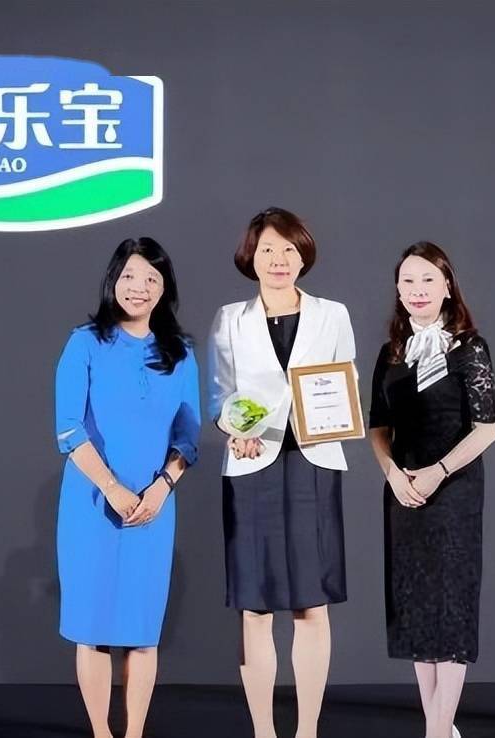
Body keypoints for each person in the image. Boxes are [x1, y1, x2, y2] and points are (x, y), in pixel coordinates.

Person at [207, 207, 356, 738]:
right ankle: (264, 731)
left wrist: (336, 413)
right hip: (253, 466)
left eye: (289, 249)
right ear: (251, 256)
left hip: (314, 464)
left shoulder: (332, 314)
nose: (279, 259)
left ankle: (308, 729)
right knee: (255, 606)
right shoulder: (230, 318)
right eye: (268, 249)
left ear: (303, 255)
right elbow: (221, 393)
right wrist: (234, 429)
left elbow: (345, 382)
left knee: (312, 604)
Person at [54, 237, 201, 738]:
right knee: (92, 629)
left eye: (151, 279)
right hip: (91, 504)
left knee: (141, 632)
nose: (139, 287)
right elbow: (69, 429)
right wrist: (112, 488)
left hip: (153, 508)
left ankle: (135, 732)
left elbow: (188, 437)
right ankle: (101, 732)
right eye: (130, 276)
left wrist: (162, 487)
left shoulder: (180, 354)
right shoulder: (84, 343)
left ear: (165, 289)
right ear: (113, 280)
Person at [369, 241, 495, 738]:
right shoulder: (391, 353)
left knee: (451, 613)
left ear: (447, 286)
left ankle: (438, 731)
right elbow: (377, 426)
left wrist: (438, 472)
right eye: (407, 280)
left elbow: (488, 428)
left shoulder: (470, 348)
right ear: (398, 289)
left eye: (427, 279)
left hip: (452, 493)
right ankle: (438, 728)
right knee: (418, 614)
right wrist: (392, 474)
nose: (417, 289)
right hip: (403, 494)